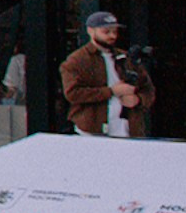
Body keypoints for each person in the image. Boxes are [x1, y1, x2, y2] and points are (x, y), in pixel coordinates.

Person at [61, 10, 157, 138]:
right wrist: (111, 91)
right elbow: (73, 93)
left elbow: (148, 89)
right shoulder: (77, 60)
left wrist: (138, 99)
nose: (112, 36)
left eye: (114, 31)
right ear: (90, 31)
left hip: (129, 130)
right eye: (106, 32)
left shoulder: (125, 57)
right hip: (92, 131)